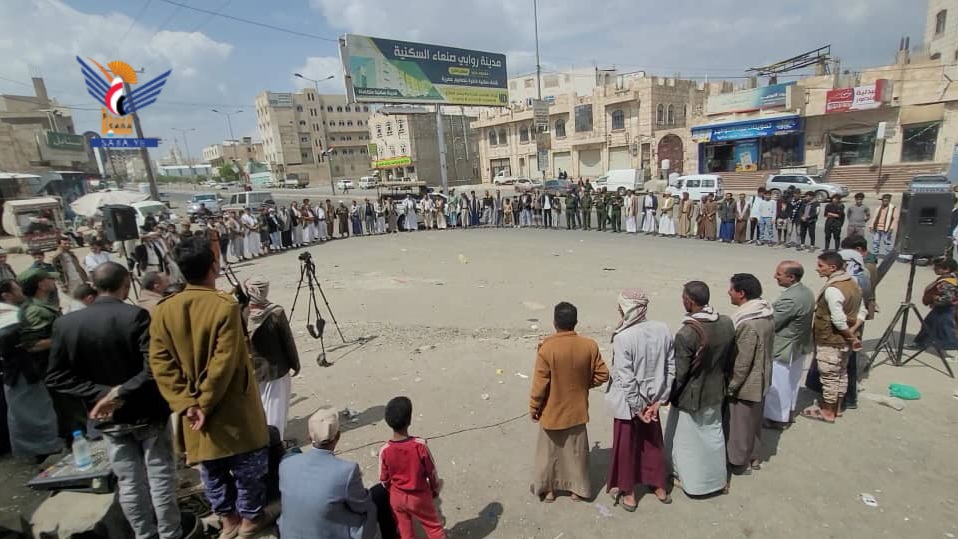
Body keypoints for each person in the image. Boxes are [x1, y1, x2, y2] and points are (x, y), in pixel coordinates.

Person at [46, 262, 192, 539]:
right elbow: (154, 368)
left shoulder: (67, 324)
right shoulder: (134, 316)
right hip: (146, 412)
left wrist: (101, 394)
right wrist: (117, 393)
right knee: (160, 477)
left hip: (108, 418)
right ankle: (170, 533)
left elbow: (56, 377)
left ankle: (143, 534)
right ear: (125, 283)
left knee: (129, 483)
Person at [149, 237, 270, 537]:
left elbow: (160, 362)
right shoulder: (224, 306)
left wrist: (186, 403)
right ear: (213, 266)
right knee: (247, 467)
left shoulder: (164, 309)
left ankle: (227, 521)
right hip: (230, 405)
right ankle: (250, 520)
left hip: (192, 410)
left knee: (211, 469)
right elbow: (224, 361)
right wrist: (203, 402)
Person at [529, 302, 609, 502]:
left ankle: (549, 490)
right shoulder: (589, 345)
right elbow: (603, 375)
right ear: (576, 322)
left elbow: (540, 385)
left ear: (555, 322)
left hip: (552, 411)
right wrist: (584, 385)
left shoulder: (547, 349)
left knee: (550, 453)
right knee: (576, 452)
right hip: (577, 409)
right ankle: (577, 490)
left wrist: (534, 407)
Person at [664, 281, 735, 497]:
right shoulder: (726, 322)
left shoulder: (687, 333)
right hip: (716, 390)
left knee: (687, 441)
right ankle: (717, 480)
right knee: (713, 436)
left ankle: (693, 483)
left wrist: (668, 395)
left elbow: (681, 373)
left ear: (689, 301)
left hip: (693, 395)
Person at [604, 290, 673, 511]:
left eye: (620, 307)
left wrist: (639, 407)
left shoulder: (624, 337)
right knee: (652, 444)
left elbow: (626, 377)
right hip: (652, 401)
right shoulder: (662, 329)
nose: (618, 311)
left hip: (630, 404)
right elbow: (671, 368)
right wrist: (659, 401)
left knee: (626, 447)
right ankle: (659, 487)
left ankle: (630, 493)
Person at [279, 406, 378, 539]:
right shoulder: (347, 471)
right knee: (372, 507)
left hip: (288, 534)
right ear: (338, 436)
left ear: (309, 436)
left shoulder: (286, 464)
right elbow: (361, 506)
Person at [0, 279, 63, 463]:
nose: (21, 291)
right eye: (17, 289)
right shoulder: (10, 317)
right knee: (34, 412)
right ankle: (44, 448)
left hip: (18, 373)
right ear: (7, 295)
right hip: (22, 373)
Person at [800, 251, 863, 424]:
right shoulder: (852, 283)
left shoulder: (834, 289)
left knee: (829, 376)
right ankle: (837, 407)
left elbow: (838, 319)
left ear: (832, 267)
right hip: (844, 340)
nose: (817, 269)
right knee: (841, 373)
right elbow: (862, 311)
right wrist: (853, 333)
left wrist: (849, 336)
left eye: (821, 265)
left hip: (831, 339)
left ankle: (827, 411)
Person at [725, 274, 774, 475]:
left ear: (741, 293)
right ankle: (753, 456)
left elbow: (742, 362)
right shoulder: (766, 313)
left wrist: (731, 386)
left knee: (739, 424)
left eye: (731, 289)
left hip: (747, 383)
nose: (728, 292)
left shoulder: (746, 323)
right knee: (753, 422)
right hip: (762, 377)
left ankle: (738, 462)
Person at [379, 396, 444, 539]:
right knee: (434, 528)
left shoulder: (385, 450)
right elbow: (431, 472)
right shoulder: (420, 446)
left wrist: (393, 491)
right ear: (409, 420)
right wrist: (434, 489)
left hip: (397, 497)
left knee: (405, 532)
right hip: (419, 495)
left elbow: (384, 479)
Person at [245, 277, 301, 439]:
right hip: (276, 371)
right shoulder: (275, 312)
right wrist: (295, 364)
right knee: (276, 411)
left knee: (259, 408)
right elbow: (287, 341)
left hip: (253, 371)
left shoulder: (242, 313)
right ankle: (275, 445)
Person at [763, 262, 815, 428]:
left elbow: (772, 322)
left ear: (791, 277)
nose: (775, 276)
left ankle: (776, 418)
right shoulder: (806, 292)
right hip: (799, 345)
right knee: (792, 382)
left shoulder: (791, 298)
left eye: (779, 274)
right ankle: (788, 412)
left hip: (785, 346)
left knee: (777, 385)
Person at [911, 257, 958, 350]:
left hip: (947, 309)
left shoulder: (948, 282)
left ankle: (951, 345)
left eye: (937, 267)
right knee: (928, 324)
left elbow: (948, 298)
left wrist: (935, 299)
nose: (934, 269)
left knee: (945, 327)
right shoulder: (946, 278)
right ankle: (921, 342)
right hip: (940, 309)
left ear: (946, 269)